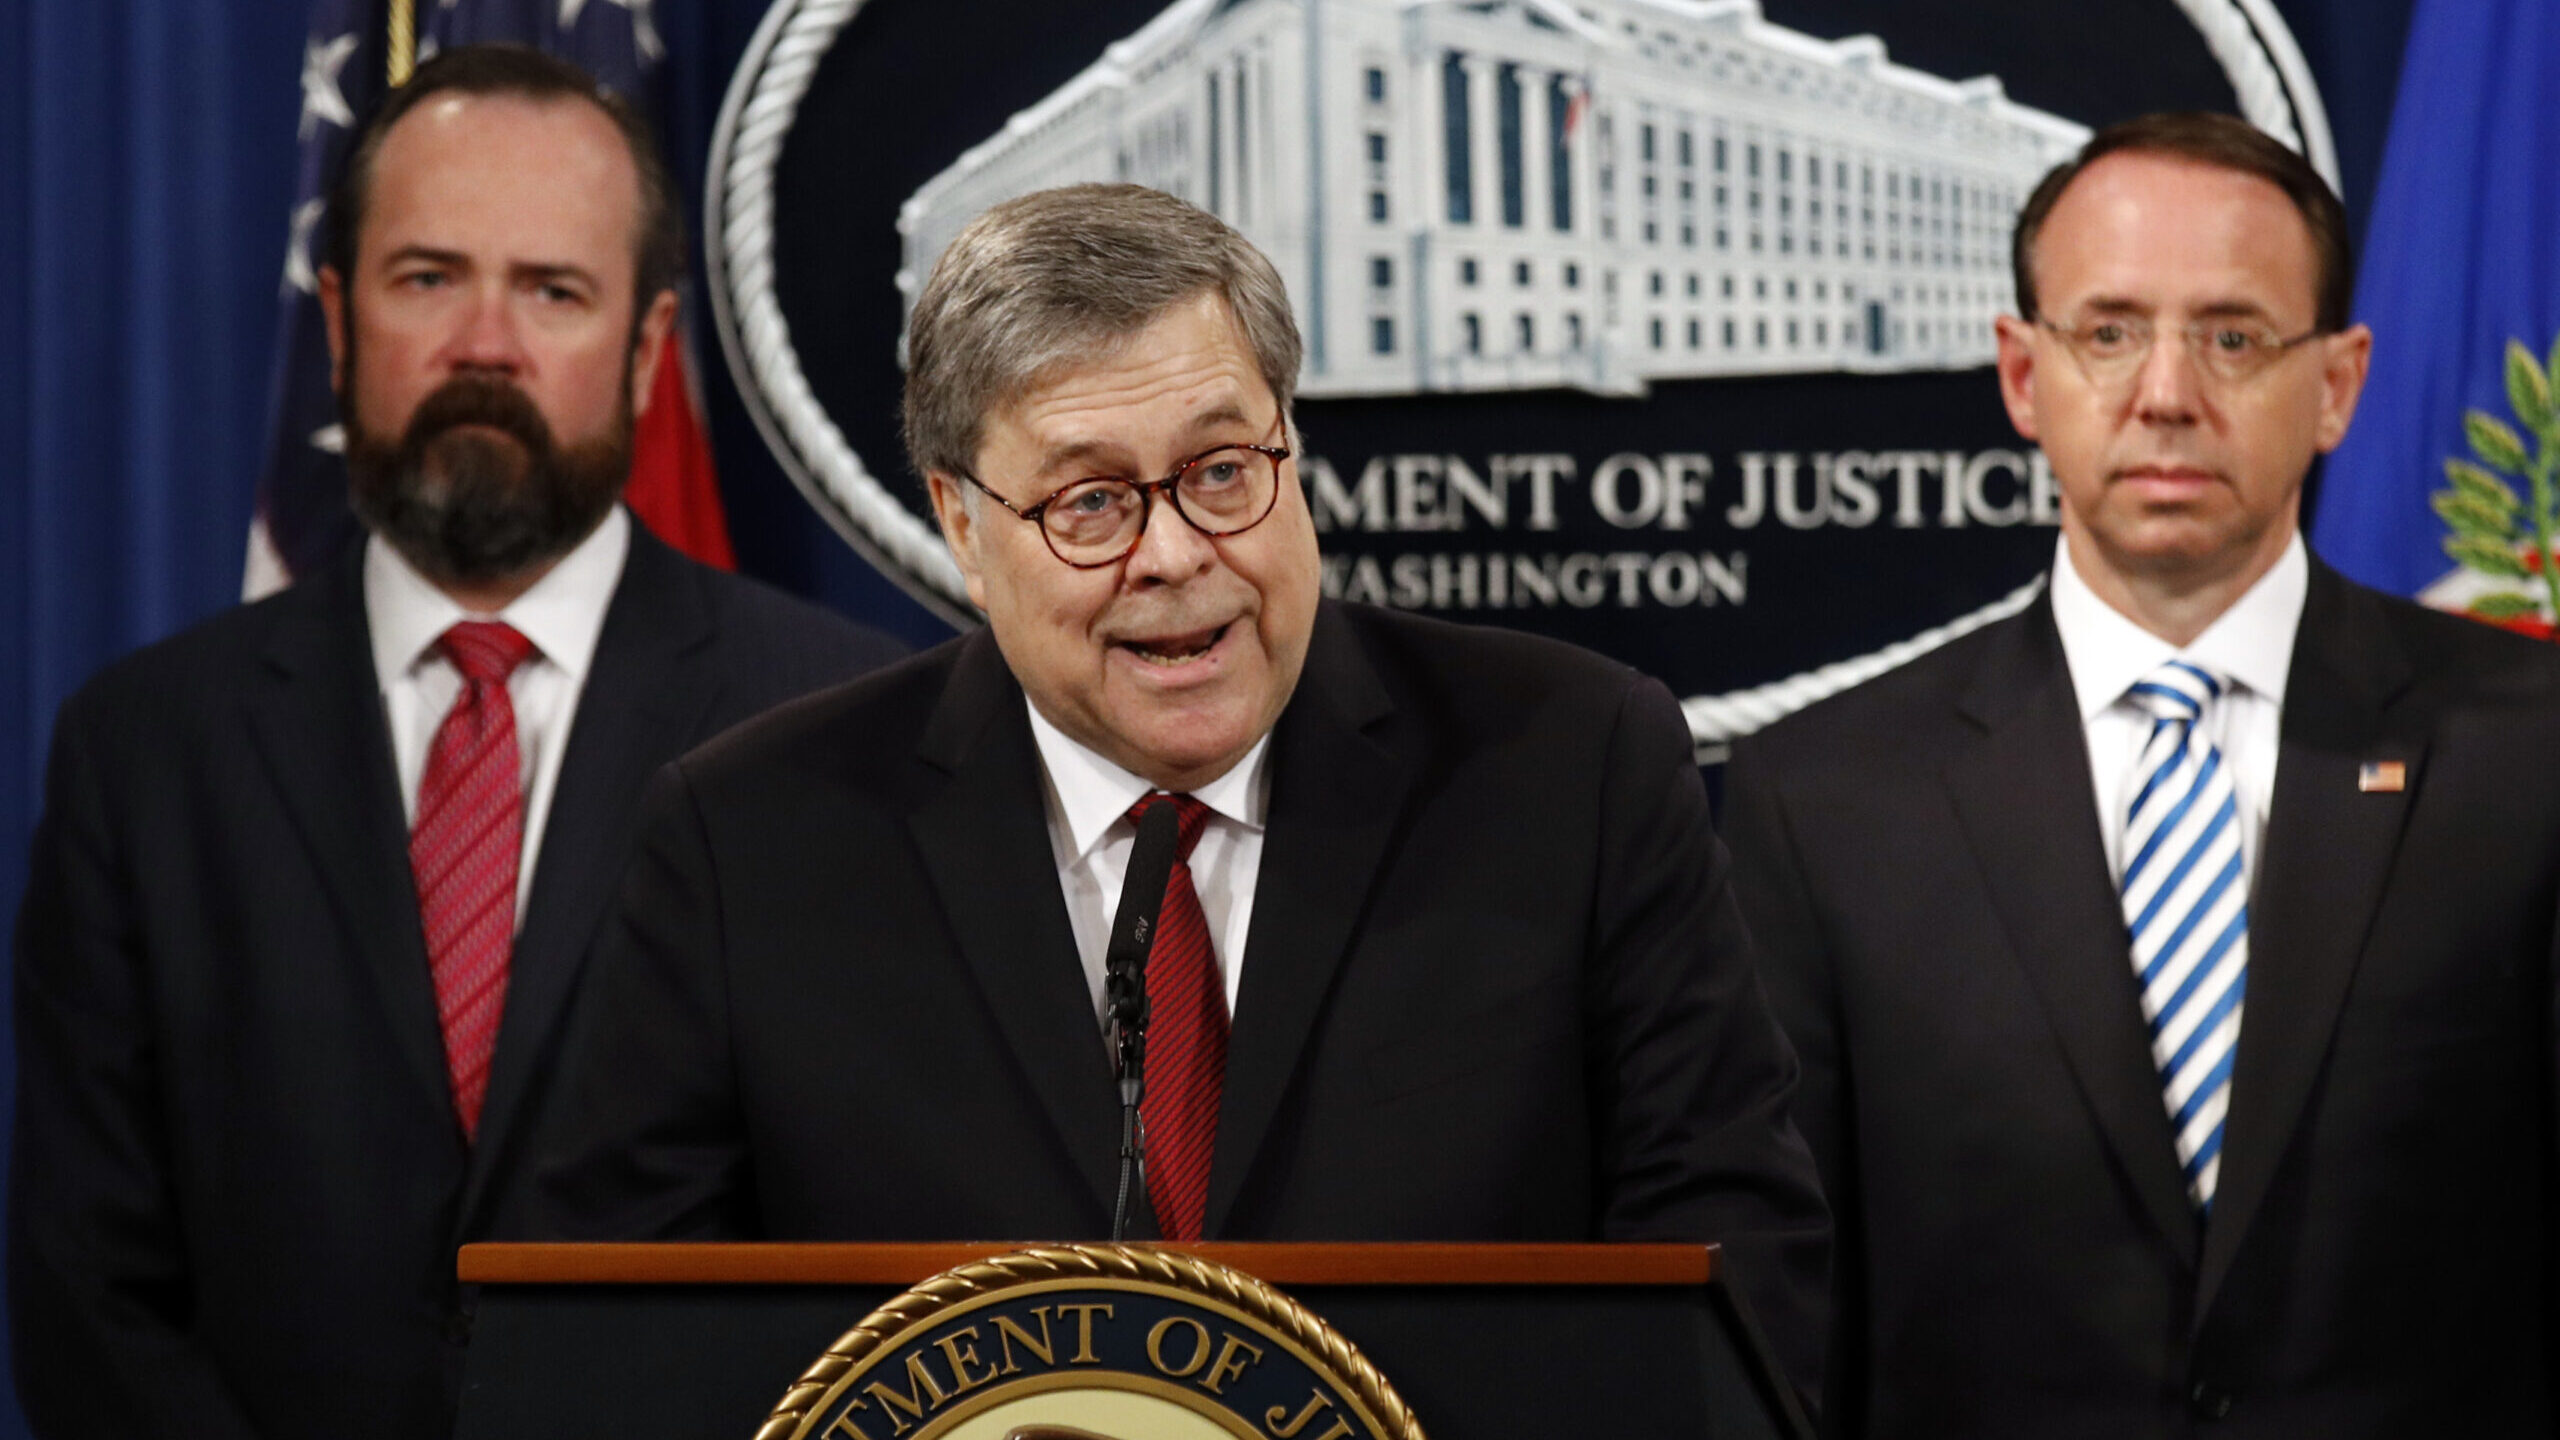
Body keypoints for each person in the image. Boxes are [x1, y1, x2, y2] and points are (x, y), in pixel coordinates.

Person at [534, 182, 1831, 1401]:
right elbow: (626, 1356)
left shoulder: (1573, 767)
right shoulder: (751, 843)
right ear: (962, 525)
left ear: (1291, 446)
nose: (1174, 556)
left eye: (1222, 472)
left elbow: (1734, 1284)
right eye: (1092, 502)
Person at [9, 45, 903, 1440]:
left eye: (553, 291)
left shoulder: (834, 727)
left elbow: (872, 1268)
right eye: (428, 278)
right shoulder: (142, 756)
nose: (485, 343)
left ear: (650, 348)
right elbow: (87, 1295)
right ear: (340, 319)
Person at [1723, 111, 2560, 1437]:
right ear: (2020, 372)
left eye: (2234, 336)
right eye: (2108, 332)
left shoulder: (2530, 752)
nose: (2167, 392)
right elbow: (1781, 1321)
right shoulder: (1820, 801)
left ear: (2339, 385)